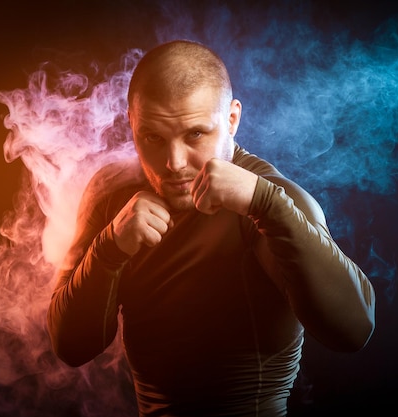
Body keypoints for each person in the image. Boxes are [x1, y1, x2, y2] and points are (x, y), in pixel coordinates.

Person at [47, 39, 376, 417]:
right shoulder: (111, 195)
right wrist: (109, 249)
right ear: (131, 122)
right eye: (152, 137)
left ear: (232, 120)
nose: (173, 163)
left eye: (195, 135)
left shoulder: (274, 200)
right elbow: (70, 346)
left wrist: (267, 206)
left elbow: (354, 331)